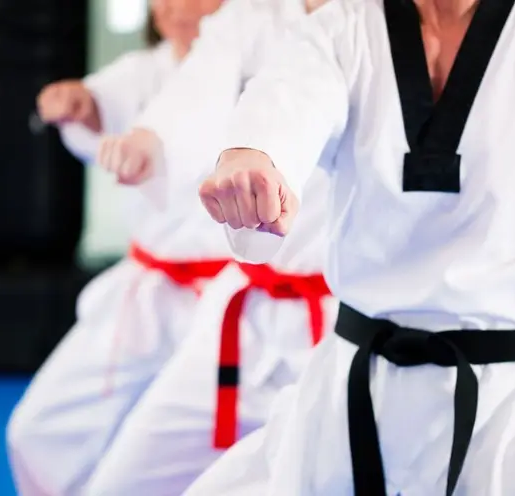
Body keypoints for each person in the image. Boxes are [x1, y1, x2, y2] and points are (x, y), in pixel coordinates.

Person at [190, 0, 515, 494]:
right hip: (352, 395)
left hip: (510, 411)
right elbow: (285, 102)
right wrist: (256, 163)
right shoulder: (345, 26)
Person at [80, 0, 338, 493]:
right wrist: (150, 141)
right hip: (244, 316)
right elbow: (198, 89)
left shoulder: (390, 22)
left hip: (341, 329)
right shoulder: (250, 17)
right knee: (123, 483)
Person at [5, 1, 227, 495]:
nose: (174, 8)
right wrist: (80, 102)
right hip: (148, 293)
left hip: (239, 303)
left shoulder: (273, 70)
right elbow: (102, 101)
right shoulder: (143, 71)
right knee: (41, 429)